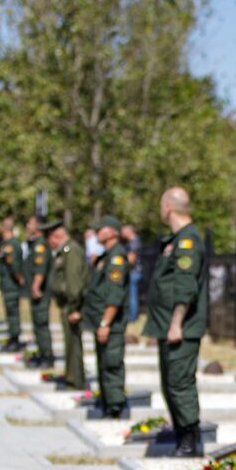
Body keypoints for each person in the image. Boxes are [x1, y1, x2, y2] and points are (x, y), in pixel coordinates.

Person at [143, 187, 208, 456]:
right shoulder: (176, 239)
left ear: (168, 207)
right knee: (170, 382)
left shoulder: (187, 241)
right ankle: (181, 433)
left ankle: (189, 440)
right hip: (167, 326)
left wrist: (176, 323)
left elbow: (185, 286)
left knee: (180, 382)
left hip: (180, 328)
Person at [81, 216, 131, 417]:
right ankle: (106, 402)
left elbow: (114, 294)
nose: (97, 233)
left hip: (110, 323)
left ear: (112, 232)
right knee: (103, 363)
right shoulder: (106, 256)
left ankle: (115, 406)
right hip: (101, 322)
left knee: (111, 363)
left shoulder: (116, 257)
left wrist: (105, 322)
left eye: (101, 229)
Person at [49, 222, 89, 390]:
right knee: (69, 343)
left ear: (57, 236)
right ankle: (71, 377)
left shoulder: (71, 250)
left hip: (72, 305)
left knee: (73, 343)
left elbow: (74, 282)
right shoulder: (64, 251)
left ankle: (75, 380)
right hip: (66, 304)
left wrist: (74, 307)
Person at [24, 219, 55, 369]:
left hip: (41, 291)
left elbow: (40, 269)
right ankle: (42, 352)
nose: (27, 226)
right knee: (37, 322)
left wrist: (36, 286)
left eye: (30, 224)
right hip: (36, 291)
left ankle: (47, 355)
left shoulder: (41, 246)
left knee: (41, 322)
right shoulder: (34, 243)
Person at [0, 216, 25, 352]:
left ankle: (15, 338)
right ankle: (12, 336)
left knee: (13, 312)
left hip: (11, 284)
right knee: (10, 312)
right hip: (7, 283)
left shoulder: (12, 244)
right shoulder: (6, 243)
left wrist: (19, 280)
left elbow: (13, 265)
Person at [122, 223, 142, 322]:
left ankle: (132, 317)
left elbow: (131, 259)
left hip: (133, 272)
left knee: (132, 296)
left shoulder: (133, 242)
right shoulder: (136, 241)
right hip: (136, 272)